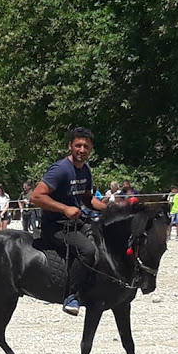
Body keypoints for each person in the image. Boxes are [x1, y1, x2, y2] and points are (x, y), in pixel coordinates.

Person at [30, 126, 107, 315]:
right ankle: (71, 296)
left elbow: (88, 200)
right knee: (87, 250)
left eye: (86, 146)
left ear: (91, 149)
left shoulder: (86, 170)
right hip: (55, 226)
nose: (82, 150)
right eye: (78, 145)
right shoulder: (60, 170)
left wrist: (111, 209)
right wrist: (64, 208)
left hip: (76, 222)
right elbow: (36, 197)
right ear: (70, 146)